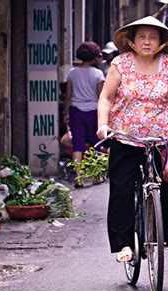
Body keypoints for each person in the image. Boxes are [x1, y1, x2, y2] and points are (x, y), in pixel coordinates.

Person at [96, 16, 168, 263]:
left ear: (161, 42)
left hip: (161, 138)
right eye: (142, 36)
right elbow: (106, 97)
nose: (147, 42)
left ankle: (164, 233)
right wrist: (103, 125)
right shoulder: (121, 64)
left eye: (153, 37)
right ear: (132, 40)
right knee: (122, 190)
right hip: (125, 136)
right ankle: (124, 244)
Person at [64, 42, 105, 188]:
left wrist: (65, 112)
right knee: (96, 144)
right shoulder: (98, 74)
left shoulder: (72, 72)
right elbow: (101, 96)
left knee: (78, 145)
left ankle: (78, 178)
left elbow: (68, 95)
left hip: (76, 111)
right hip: (93, 111)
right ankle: (97, 176)